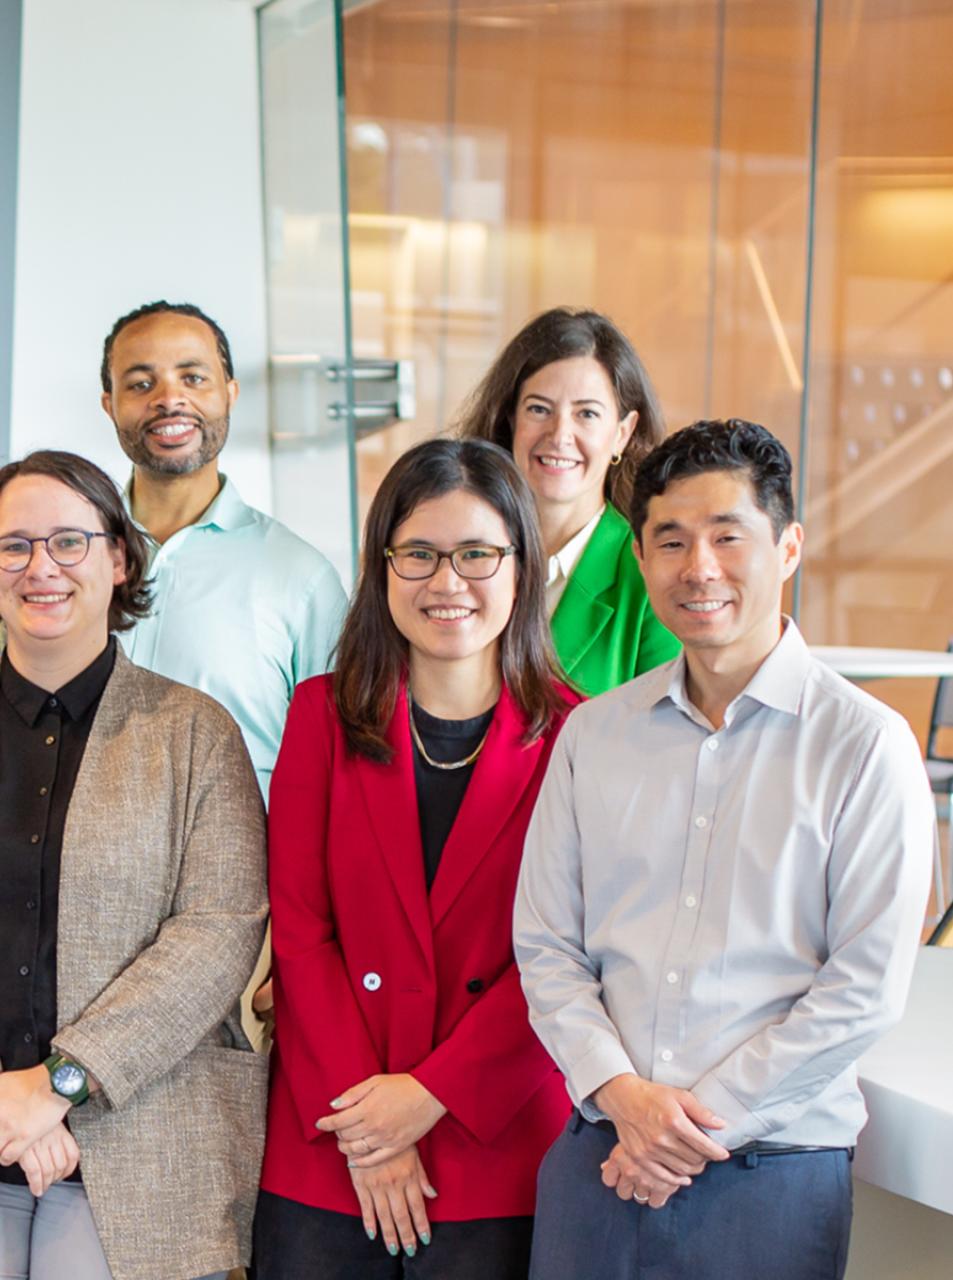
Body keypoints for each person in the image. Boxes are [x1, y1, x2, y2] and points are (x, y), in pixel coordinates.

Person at [0, 449, 266, 1280]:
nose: (42, 568)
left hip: (135, 1151)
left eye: (69, 542)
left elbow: (217, 934)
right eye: (15, 546)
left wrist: (59, 1084)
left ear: (118, 558)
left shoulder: (197, 735)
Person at [513, 421, 934, 1280]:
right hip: (599, 1157)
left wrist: (684, 1134)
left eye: (726, 536)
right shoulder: (594, 734)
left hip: (770, 1177)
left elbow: (863, 988)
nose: (698, 567)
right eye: (670, 540)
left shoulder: (865, 745)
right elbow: (547, 944)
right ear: (640, 557)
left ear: (787, 548)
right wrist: (625, 1102)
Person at [255, 439, 579, 1278]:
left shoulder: (579, 737)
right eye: (420, 555)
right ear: (382, 566)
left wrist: (427, 1098)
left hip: (492, 1138)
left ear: (521, 566)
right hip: (331, 1135)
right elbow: (299, 931)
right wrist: (371, 1127)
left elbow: (570, 955)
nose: (447, 583)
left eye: (476, 554)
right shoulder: (321, 714)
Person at [104, 300, 347, 794]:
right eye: (140, 383)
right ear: (109, 403)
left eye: (193, 378)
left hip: (236, 862)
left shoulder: (301, 577)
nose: (169, 400)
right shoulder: (65, 558)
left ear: (230, 394)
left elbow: (339, 765)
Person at [452, 308, 678, 695]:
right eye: (539, 409)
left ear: (622, 434)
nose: (560, 435)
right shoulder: (452, 549)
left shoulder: (652, 577)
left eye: (587, 413)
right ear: (510, 421)